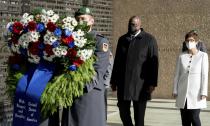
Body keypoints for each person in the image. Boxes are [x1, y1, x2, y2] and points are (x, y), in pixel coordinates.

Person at [41, 6, 110, 126]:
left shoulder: (100, 41)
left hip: (89, 94)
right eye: (77, 19)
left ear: (92, 21)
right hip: (71, 96)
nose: (80, 22)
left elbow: (98, 70)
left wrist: (75, 86)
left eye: (83, 19)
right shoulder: (68, 40)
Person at [110, 16, 159, 126]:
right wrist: (113, 81)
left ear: (140, 25)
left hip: (141, 85)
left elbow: (154, 64)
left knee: (139, 116)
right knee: (123, 111)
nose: (132, 26)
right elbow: (117, 61)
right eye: (131, 24)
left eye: (135, 24)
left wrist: (152, 83)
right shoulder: (122, 39)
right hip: (124, 84)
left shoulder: (149, 39)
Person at [173, 31, 208, 126]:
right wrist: (175, 90)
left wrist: (204, 92)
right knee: (185, 120)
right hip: (182, 92)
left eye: (192, 40)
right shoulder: (181, 56)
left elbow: (205, 75)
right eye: (187, 40)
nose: (189, 42)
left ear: (196, 42)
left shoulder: (203, 56)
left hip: (196, 94)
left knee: (194, 117)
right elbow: (177, 74)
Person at [103, 51, 114, 120]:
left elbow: (109, 67)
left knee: (103, 106)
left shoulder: (106, 50)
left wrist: (106, 83)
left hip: (102, 84)